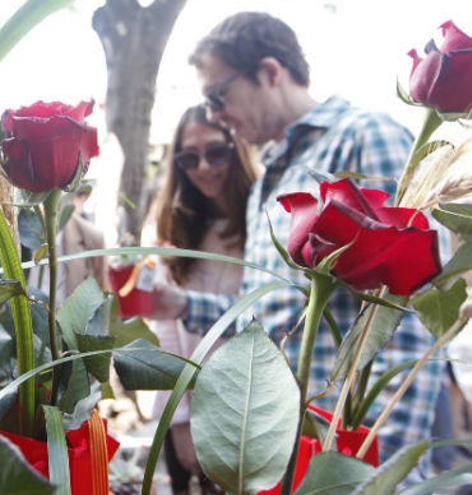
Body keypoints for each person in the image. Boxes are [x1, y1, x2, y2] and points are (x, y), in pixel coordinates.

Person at [152, 12, 448, 481]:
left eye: (217, 95)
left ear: (269, 72)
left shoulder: (364, 136)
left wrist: (372, 464)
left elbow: (411, 307)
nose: (213, 115)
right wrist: (180, 303)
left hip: (346, 456)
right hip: (287, 450)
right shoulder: (268, 178)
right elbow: (270, 314)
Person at [148, 104, 257, 493]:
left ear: (237, 147)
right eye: (190, 158)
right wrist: (178, 420)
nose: (204, 168)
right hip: (193, 405)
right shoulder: (176, 226)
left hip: (251, 407)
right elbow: (166, 331)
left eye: (216, 152)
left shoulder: (262, 221)